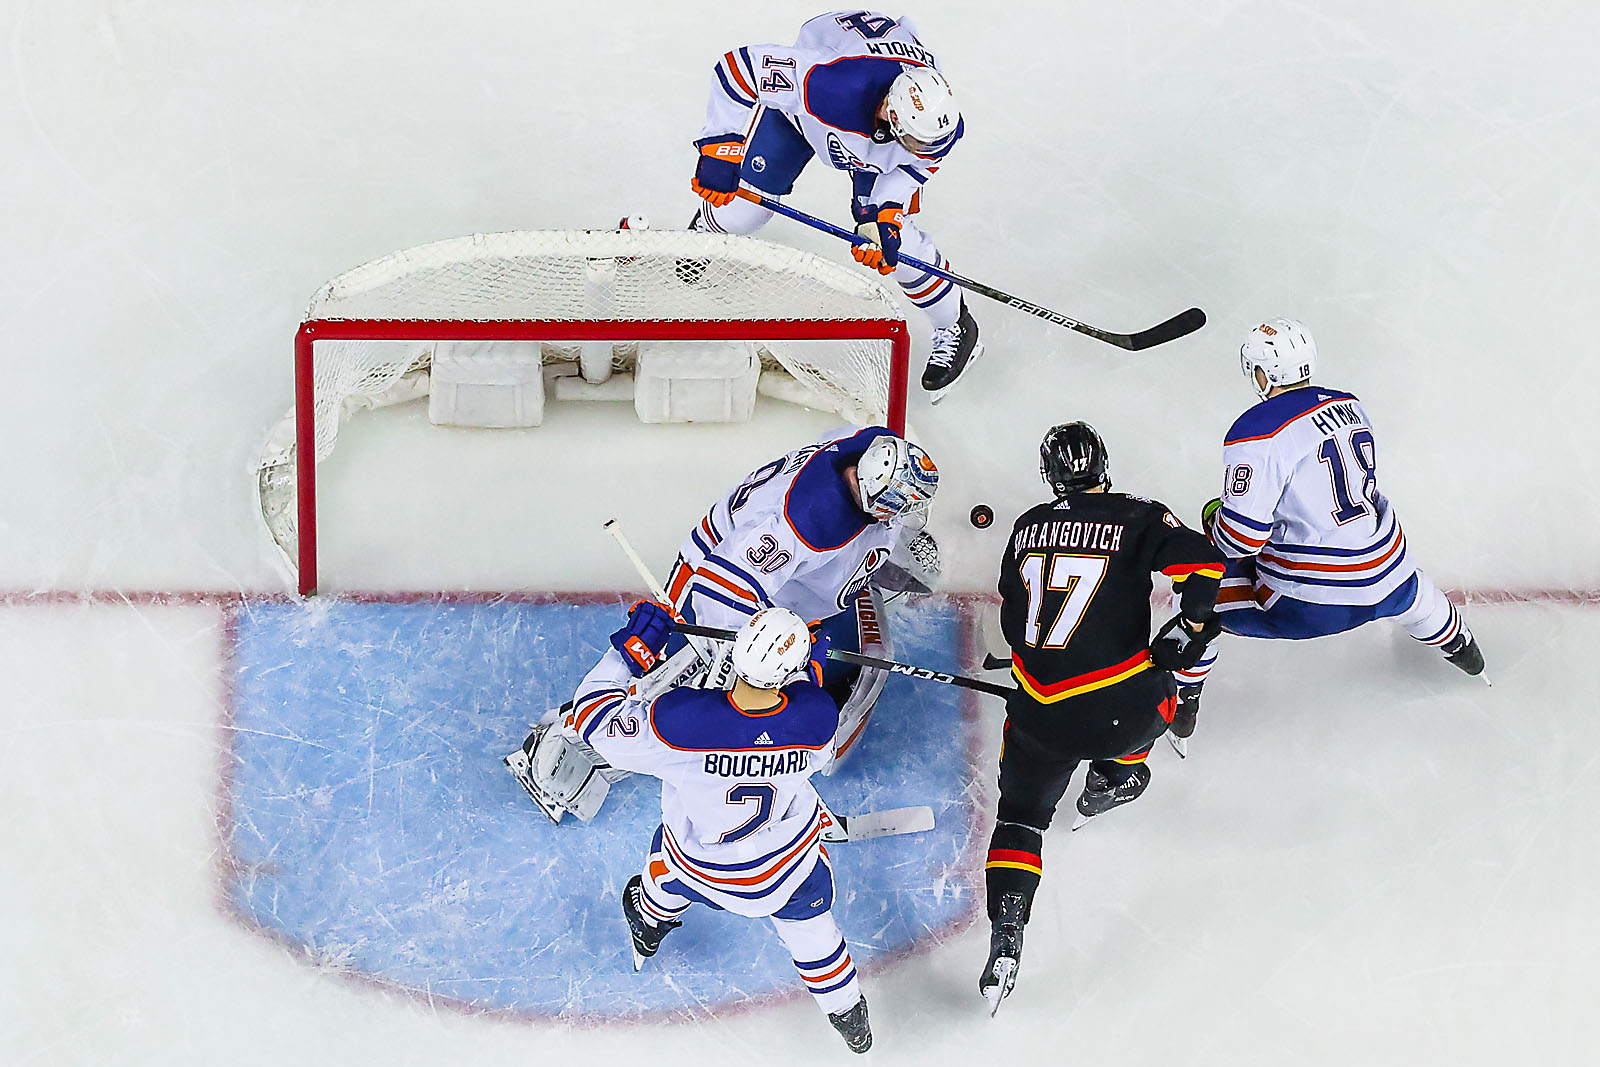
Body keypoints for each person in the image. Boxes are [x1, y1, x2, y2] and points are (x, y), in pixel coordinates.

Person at [506, 424, 939, 820]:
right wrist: (763, 656)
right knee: (676, 684)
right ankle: (555, 752)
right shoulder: (806, 521)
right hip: (716, 582)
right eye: (892, 509)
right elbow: (721, 593)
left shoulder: (868, 446)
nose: (896, 516)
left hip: (771, 583)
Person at [982, 422, 1224, 1014]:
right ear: (1103, 465)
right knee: (1155, 695)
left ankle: (1007, 939)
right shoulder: (1137, 516)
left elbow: (1015, 619)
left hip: (1039, 714)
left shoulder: (1026, 527)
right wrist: (1190, 627)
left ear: (1052, 477)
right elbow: (1204, 567)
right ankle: (1115, 779)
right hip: (1124, 708)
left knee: (1018, 820)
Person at [568, 602, 873, 1054]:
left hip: (703, 869)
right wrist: (808, 674)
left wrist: (630, 654)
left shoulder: (677, 726)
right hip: (786, 867)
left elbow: (590, 716)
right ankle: (848, 1014)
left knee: (663, 871)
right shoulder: (818, 722)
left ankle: (649, 922)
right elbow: (791, 724)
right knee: (813, 932)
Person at [1169, 318, 1487, 751]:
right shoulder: (1350, 403)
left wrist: (1213, 518)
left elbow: (1241, 539)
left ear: (1262, 374)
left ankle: (1185, 706)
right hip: (1392, 573)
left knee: (1194, 590)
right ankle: (1466, 652)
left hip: (1311, 603)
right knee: (1412, 593)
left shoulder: (1255, 431)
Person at [688, 10, 983, 401]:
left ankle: (955, 324)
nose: (922, 150)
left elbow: (919, 162)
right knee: (745, 211)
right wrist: (720, 148)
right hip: (803, 118)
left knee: (899, 246)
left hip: (874, 137)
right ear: (892, 118)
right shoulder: (827, 83)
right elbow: (736, 69)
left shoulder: (934, 127)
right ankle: (702, 236)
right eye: (912, 141)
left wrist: (887, 211)